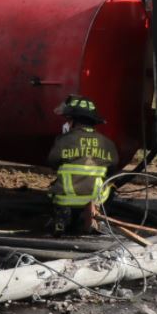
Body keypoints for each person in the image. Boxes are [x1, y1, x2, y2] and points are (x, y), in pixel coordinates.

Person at [46, 95, 118, 235]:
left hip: (66, 199)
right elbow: (113, 169)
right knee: (111, 185)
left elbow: (52, 162)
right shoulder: (108, 143)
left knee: (54, 186)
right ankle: (97, 217)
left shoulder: (63, 140)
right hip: (95, 198)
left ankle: (62, 218)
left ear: (73, 121)